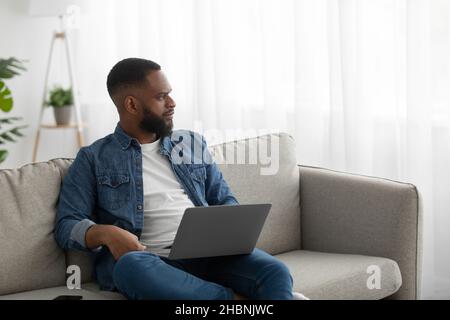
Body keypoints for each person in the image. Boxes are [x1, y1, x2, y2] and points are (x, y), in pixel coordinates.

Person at [54, 57, 304, 300]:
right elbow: (67, 226)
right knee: (130, 269)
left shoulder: (192, 143)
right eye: (161, 97)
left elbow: (223, 198)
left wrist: (229, 230)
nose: (172, 103)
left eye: (170, 93)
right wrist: (107, 233)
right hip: (150, 262)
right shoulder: (93, 158)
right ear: (131, 105)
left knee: (275, 271)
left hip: (210, 256)